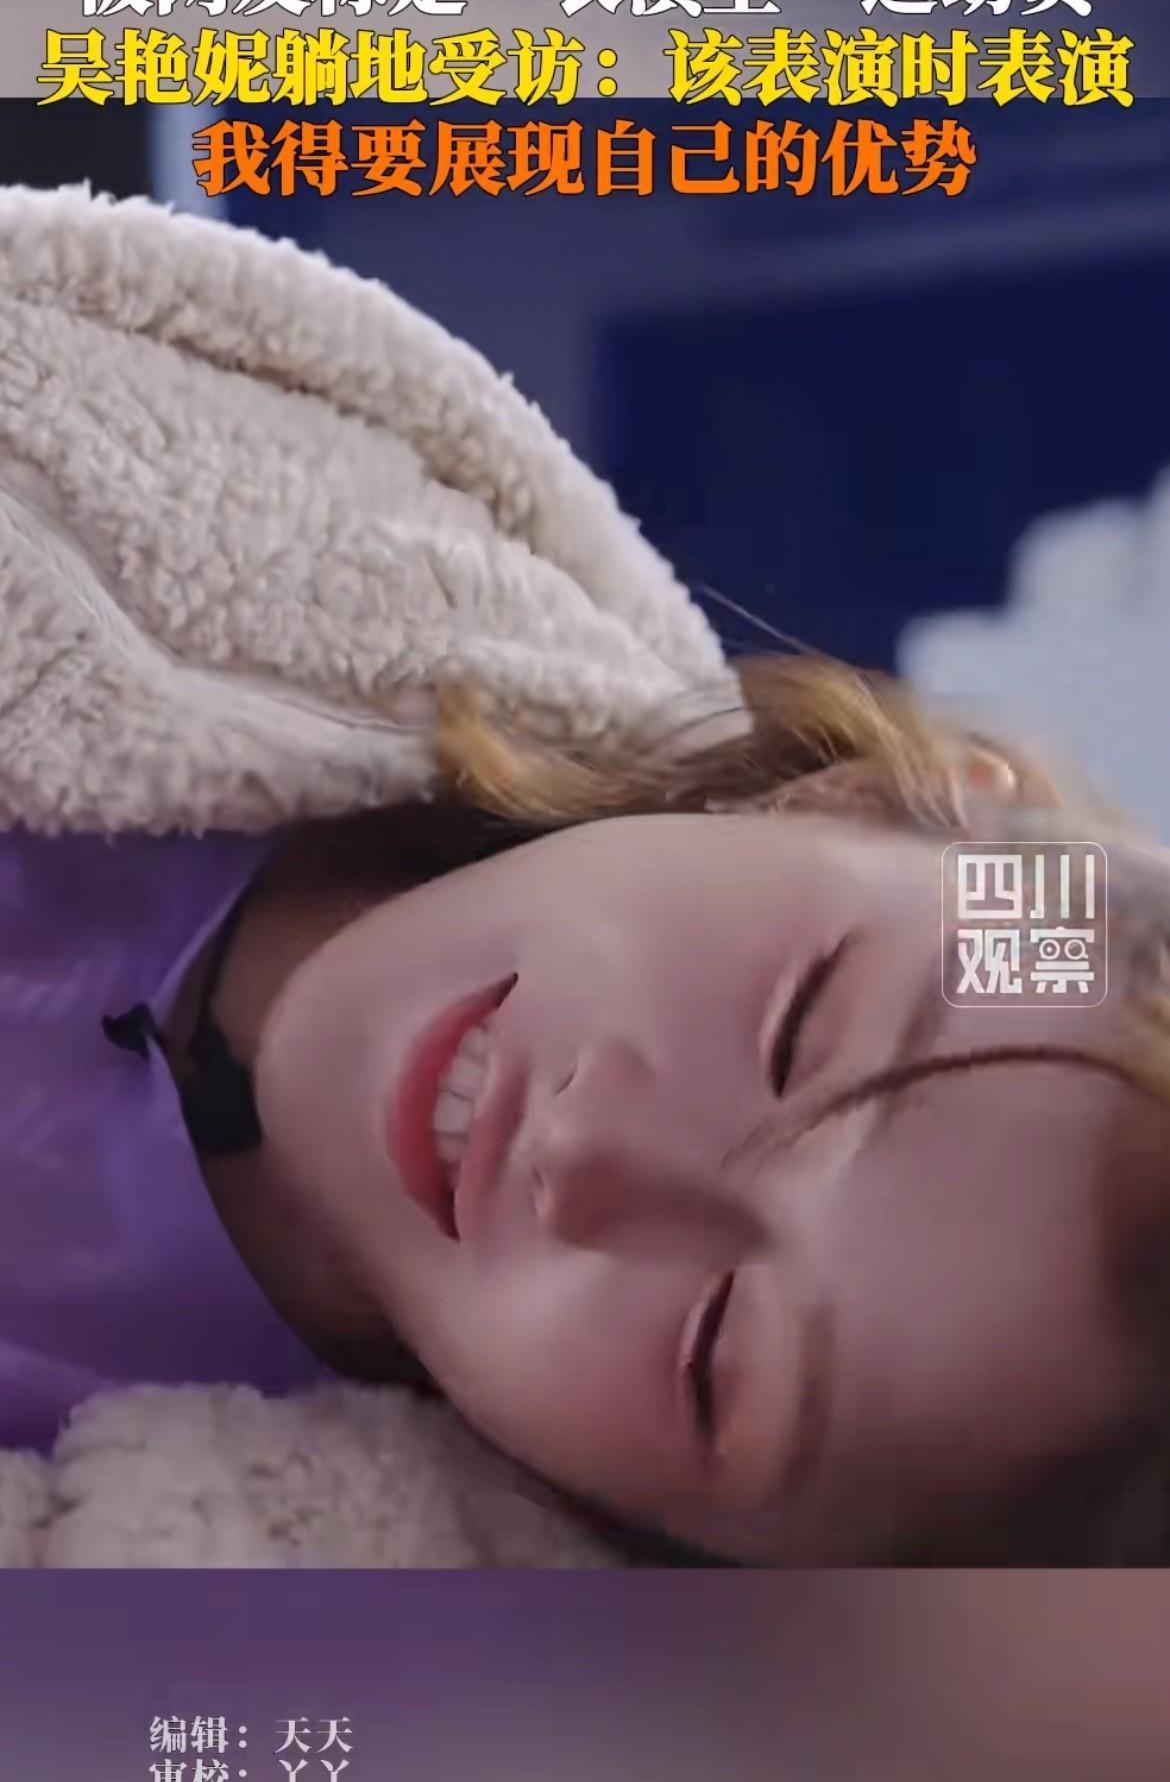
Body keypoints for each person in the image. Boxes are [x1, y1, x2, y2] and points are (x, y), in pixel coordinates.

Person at [1, 184, 1168, 1567]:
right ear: (848, 802)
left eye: (712, 1358)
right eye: (799, 1026)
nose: (580, 1152)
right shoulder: (267, 487)